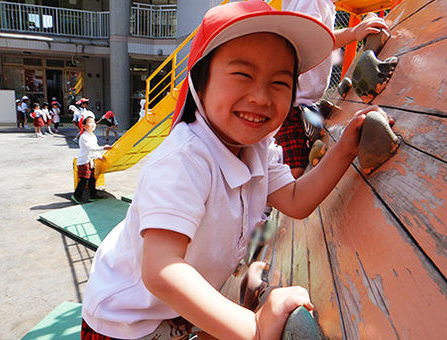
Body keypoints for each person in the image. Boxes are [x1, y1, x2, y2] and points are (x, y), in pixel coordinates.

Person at [80, 1, 387, 339]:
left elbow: (298, 200)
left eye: (280, 83)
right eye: (243, 75)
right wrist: (254, 329)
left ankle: (237, 293)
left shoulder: (259, 149)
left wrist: (346, 149)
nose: (261, 97)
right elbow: (161, 270)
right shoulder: (185, 160)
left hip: (173, 312)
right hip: (126, 321)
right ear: (201, 82)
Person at [275, 0, 388, 179]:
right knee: (295, 169)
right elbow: (313, 40)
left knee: (305, 152)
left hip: (301, 102)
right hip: (290, 105)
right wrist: (353, 32)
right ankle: (265, 202)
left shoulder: (322, 3)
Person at [73, 116, 111, 204]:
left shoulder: (92, 135)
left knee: (92, 178)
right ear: (84, 126)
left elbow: (95, 147)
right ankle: (77, 195)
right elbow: (91, 148)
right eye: (90, 122)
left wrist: (99, 156)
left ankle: (93, 194)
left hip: (90, 161)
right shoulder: (84, 137)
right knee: (84, 179)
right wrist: (103, 148)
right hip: (84, 161)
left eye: (94, 122)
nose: (93, 124)